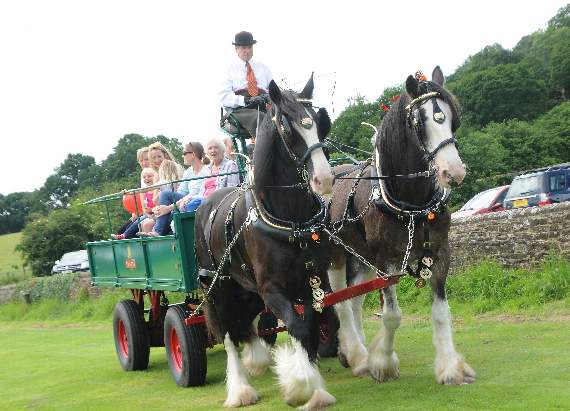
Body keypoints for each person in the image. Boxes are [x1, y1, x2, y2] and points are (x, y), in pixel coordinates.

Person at [150, 142, 211, 236]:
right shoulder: (188, 172)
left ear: (193, 154)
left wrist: (169, 207)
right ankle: (159, 229)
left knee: (165, 195)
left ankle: (158, 231)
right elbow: (181, 192)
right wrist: (165, 207)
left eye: (184, 153)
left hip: (197, 201)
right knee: (165, 197)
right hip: (187, 200)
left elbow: (199, 194)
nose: (183, 156)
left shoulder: (206, 171)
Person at [220, 31, 273, 139]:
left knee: (286, 118)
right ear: (236, 49)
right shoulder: (228, 70)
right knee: (261, 119)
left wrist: (268, 96)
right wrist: (245, 100)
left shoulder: (263, 68)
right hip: (241, 109)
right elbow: (224, 97)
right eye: (243, 48)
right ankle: (264, 154)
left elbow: (274, 88)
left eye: (249, 47)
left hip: (263, 105)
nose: (247, 51)